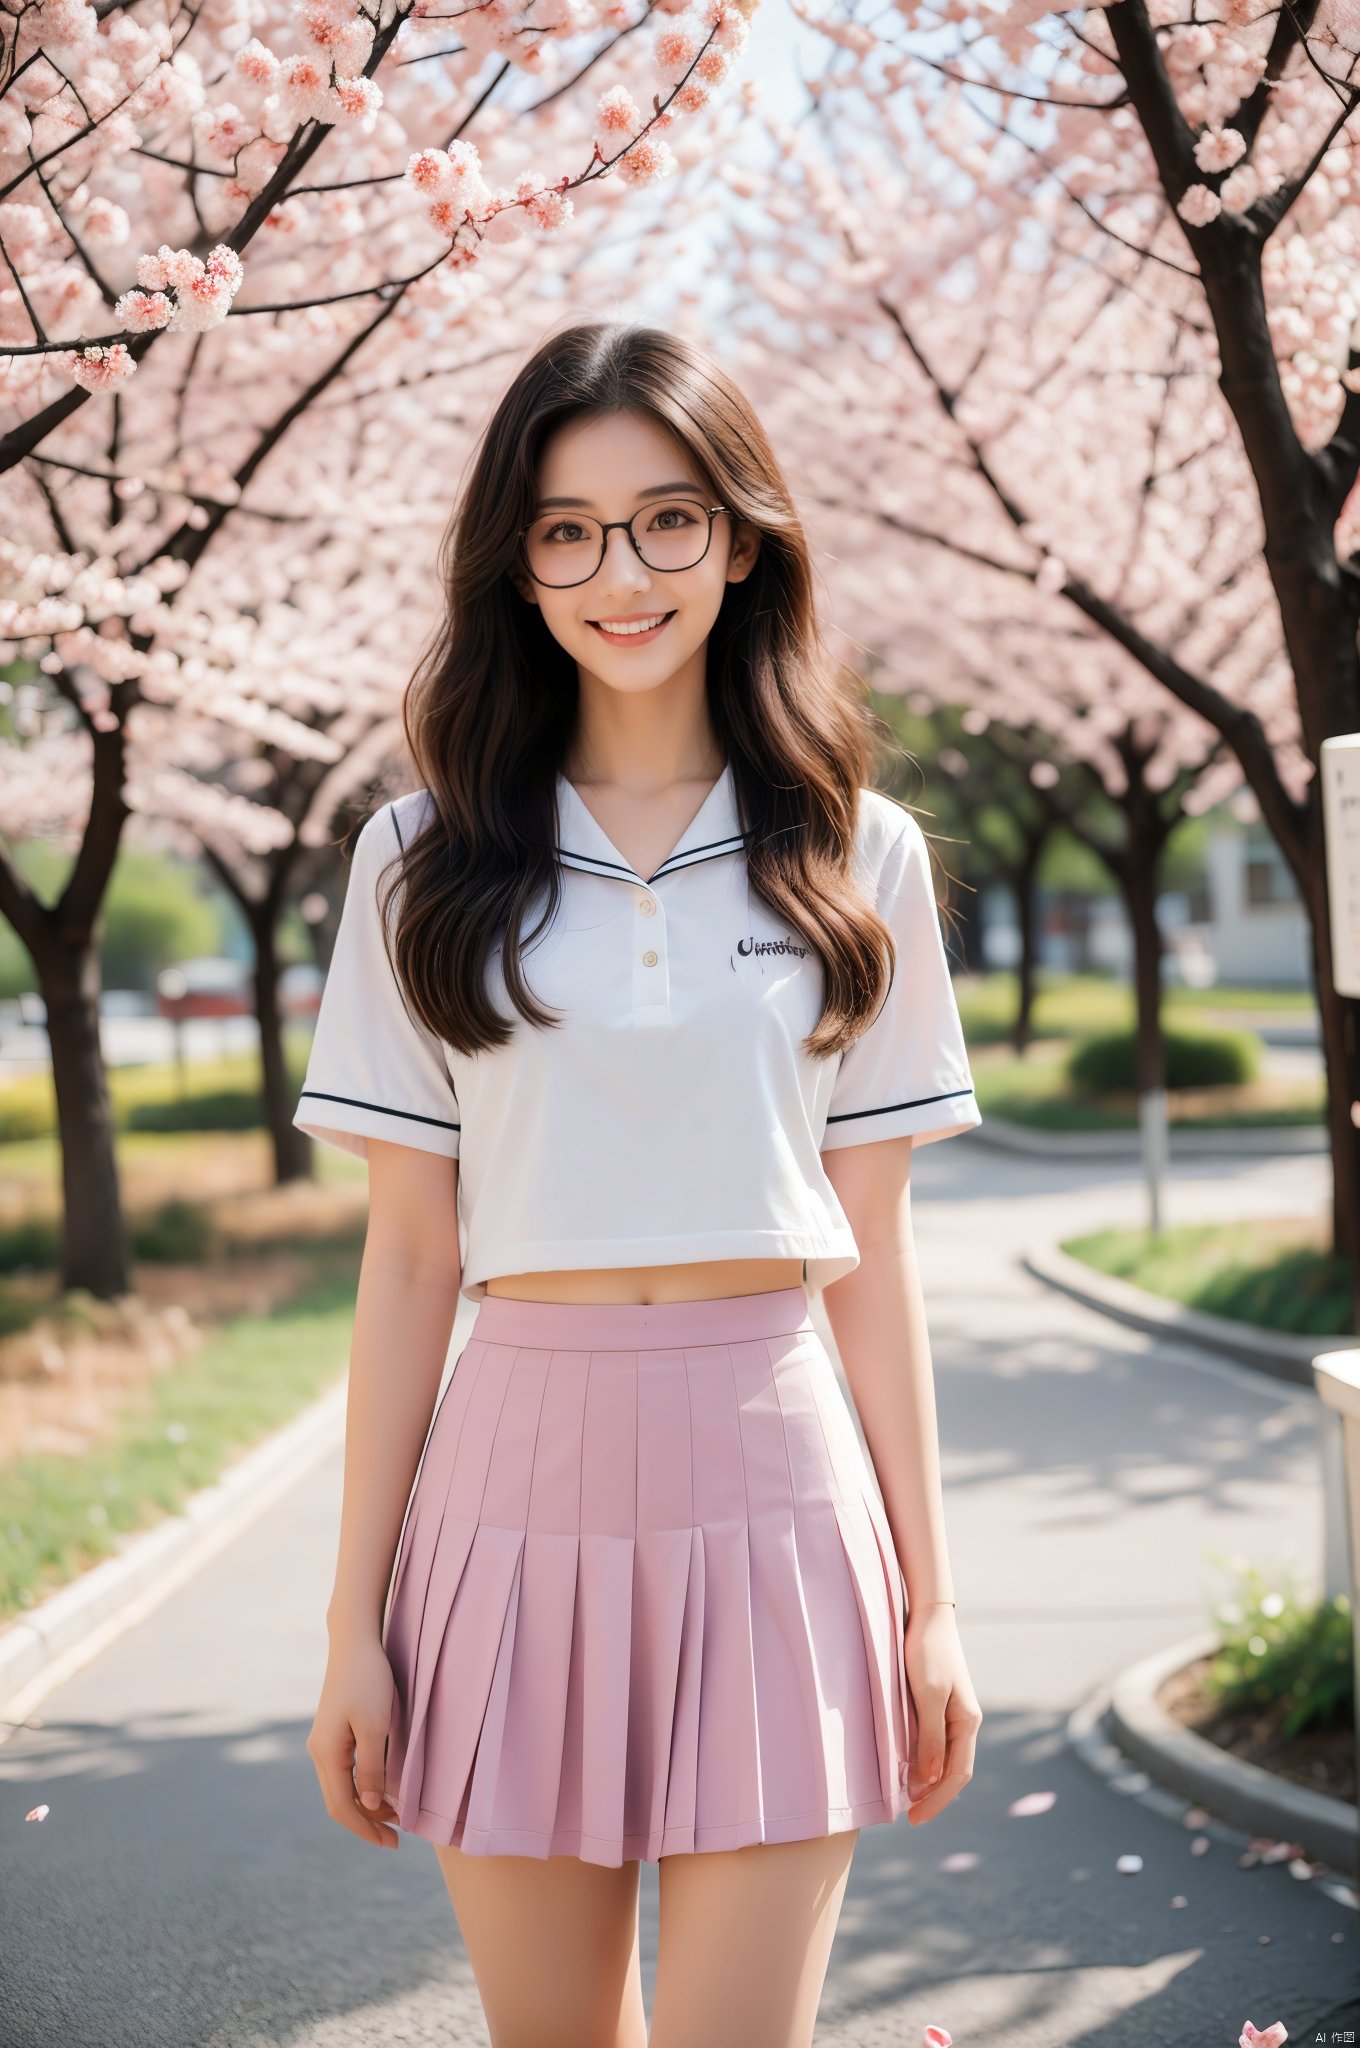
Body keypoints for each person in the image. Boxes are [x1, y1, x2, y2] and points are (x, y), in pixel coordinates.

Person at [294, 319, 985, 2048]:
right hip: (508, 1498)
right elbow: (405, 1265)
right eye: (568, 530)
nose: (623, 571)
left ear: (743, 540)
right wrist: (353, 1626)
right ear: (517, 568)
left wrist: (935, 1598)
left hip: (779, 1486)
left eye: (668, 519)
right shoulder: (422, 857)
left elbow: (875, 1258)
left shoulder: (856, 847)